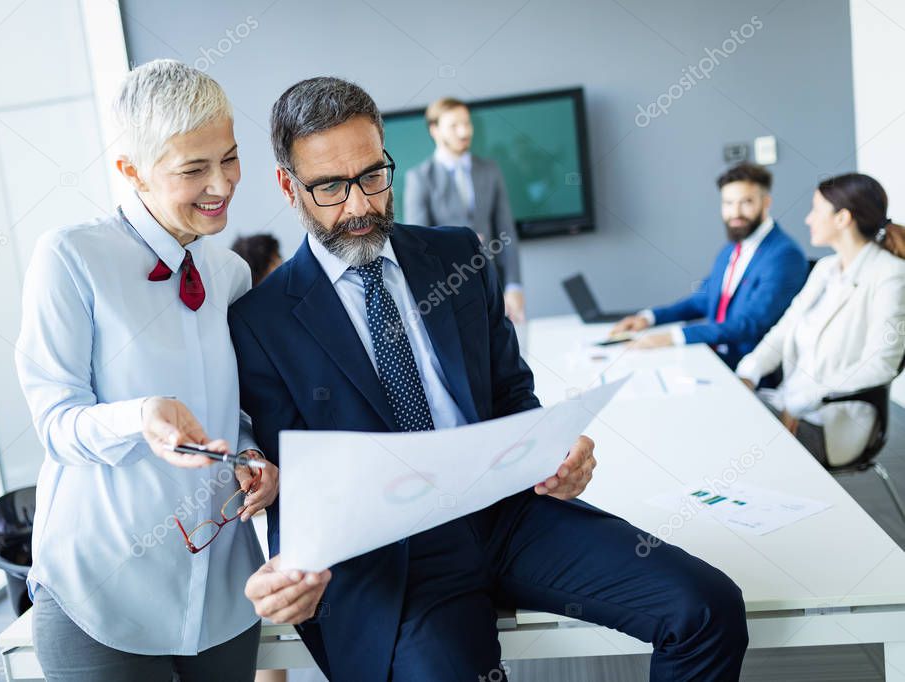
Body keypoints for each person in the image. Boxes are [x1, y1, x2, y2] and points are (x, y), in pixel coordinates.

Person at [229, 77, 748, 682]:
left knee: (707, 607)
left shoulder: (456, 256)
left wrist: (557, 450)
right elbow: (299, 481)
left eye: (373, 175)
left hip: (506, 512)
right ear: (289, 187)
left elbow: (511, 396)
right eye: (329, 188)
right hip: (390, 557)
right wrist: (294, 570)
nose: (361, 206)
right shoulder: (260, 321)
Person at [15, 59, 278, 681]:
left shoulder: (232, 275)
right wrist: (140, 417)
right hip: (101, 595)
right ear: (131, 170)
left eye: (230, 158)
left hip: (222, 595)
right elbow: (56, 422)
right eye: (193, 169)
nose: (222, 184)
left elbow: (237, 412)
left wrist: (253, 458)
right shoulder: (71, 257)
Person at [736, 173, 905, 466]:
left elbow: (880, 364)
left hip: (833, 419)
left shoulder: (890, 275)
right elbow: (784, 329)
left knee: (733, 448)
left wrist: (801, 400)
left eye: (815, 209)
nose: (808, 219)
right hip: (792, 404)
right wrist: (749, 372)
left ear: (842, 218)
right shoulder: (826, 269)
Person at [613, 163, 808, 370]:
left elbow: (750, 324)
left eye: (746, 203)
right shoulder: (731, 250)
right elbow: (703, 300)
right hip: (714, 356)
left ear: (766, 202)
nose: (735, 213)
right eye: (728, 203)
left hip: (746, 369)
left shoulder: (784, 255)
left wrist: (673, 337)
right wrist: (649, 318)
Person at [403, 97, 526, 323]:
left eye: (467, 124)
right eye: (454, 126)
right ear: (435, 131)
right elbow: (417, 246)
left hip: (494, 286)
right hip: (448, 291)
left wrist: (514, 285)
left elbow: (506, 229)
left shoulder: (490, 170)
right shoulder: (419, 178)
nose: (464, 132)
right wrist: (462, 243)